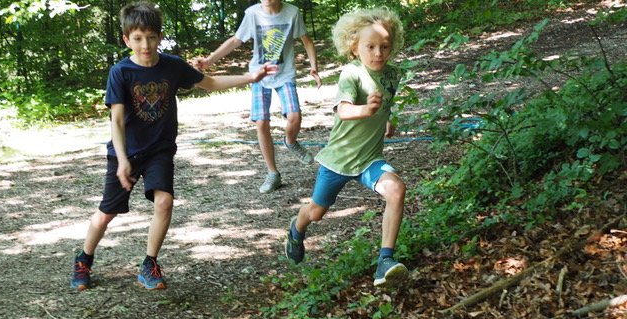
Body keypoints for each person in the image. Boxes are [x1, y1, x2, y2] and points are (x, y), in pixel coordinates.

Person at [71, 1, 276, 291]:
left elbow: (211, 83)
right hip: (125, 152)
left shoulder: (173, 65)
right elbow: (116, 119)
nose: (145, 45)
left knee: (164, 201)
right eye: (138, 39)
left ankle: (149, 263)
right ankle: (84, 259)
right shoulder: (121, 72)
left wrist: (251, 77)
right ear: (127, 40)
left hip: (160, 148)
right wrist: (123, 159)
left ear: (160, 37)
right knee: (107, 212)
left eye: (151, 37)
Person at [284, 7, 408, 287]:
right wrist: (367, 110)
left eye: (384, 46)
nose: (378, 53)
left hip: (369, 159)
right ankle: (296, 229)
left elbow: (384, 103)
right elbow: (343, 110)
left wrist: (385, 119)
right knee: (316, 214)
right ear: (354, 48)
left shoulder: (393, 74)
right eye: (370, 47)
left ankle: (385, 261)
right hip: (338, 161)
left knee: (396, 189)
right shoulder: (351, 73)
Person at [196, 0, 322, 194]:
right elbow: (236, 40)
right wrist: (209, 60)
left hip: (285, 74)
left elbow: (307, 41)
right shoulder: (252, 13)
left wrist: (314, 67)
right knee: (262, 123)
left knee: (295, 117)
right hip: (259, 75)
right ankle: (273, 173)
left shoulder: (292, 12)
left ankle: (290, 141)